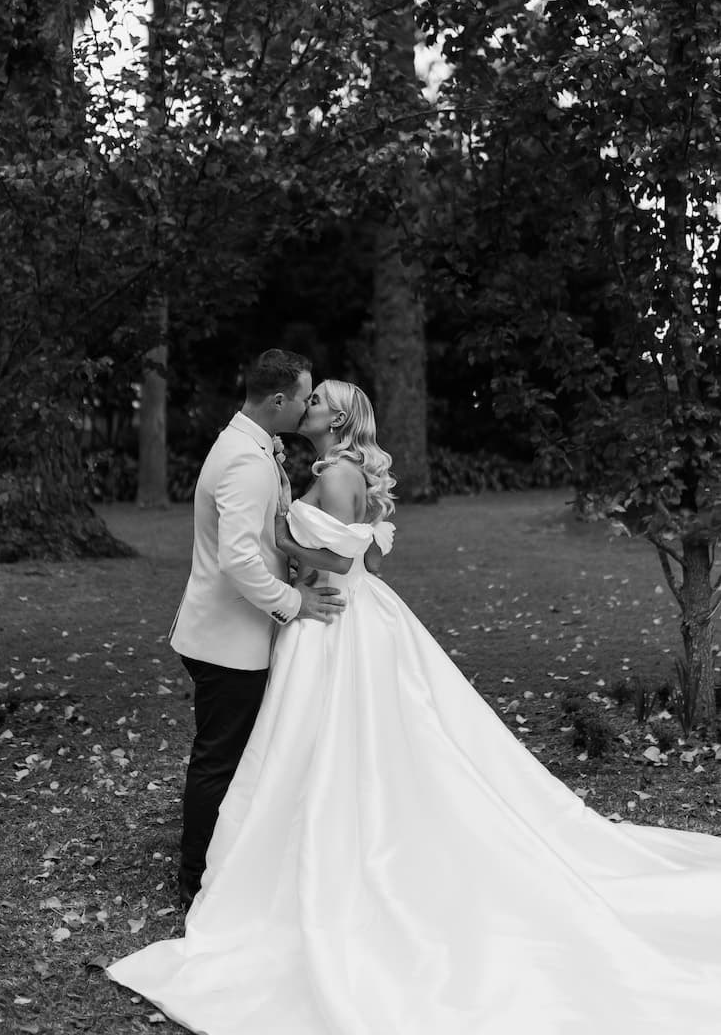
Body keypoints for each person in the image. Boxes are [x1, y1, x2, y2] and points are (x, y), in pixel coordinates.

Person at [109, 381, 721, 1034]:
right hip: (324, 617)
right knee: (311, 740)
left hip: (337, 618)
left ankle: (337, 848)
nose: (310, 402)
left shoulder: (340, 472)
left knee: (342, 737)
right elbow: (367, 548)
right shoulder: (324, 469)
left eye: (319, 399)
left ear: (340, 417)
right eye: (307, 395)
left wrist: (286, 547)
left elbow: (345, 555)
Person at [167, 350, 346, 910]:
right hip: (225, 640)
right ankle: (195, 881)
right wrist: (295, 604)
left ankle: (223, 860)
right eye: (304, 396)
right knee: (219, 758)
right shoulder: (245, 460)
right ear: (277, 400)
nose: (307, 405)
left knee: (230, 755)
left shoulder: (252, 445)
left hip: (229, 632)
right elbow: (239, 561)